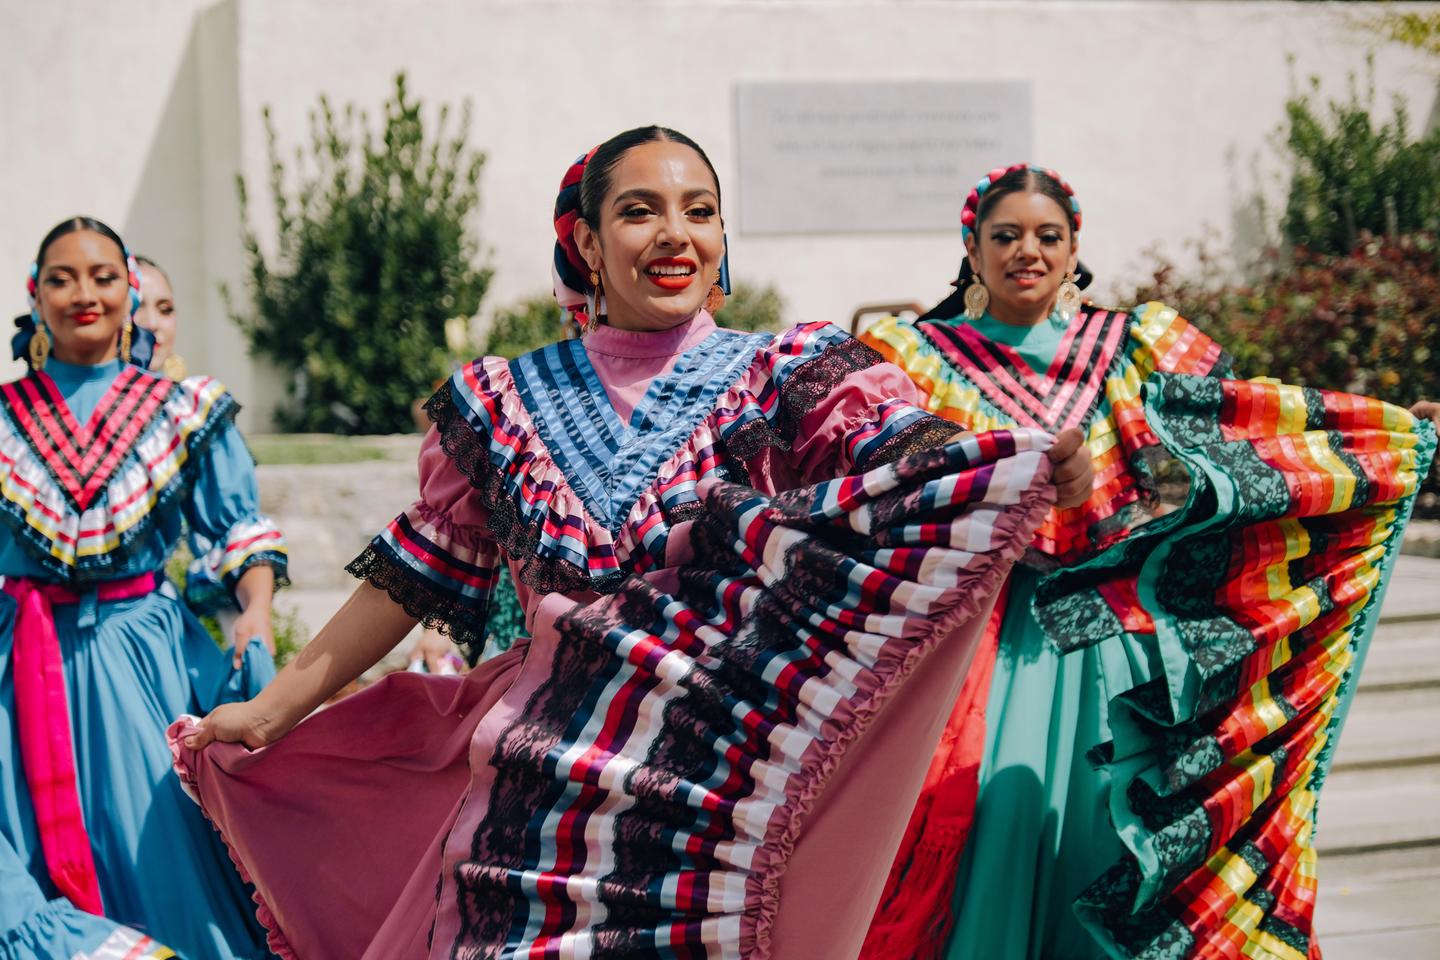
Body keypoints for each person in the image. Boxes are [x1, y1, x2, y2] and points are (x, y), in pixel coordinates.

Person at [170, 127, 1081, 958]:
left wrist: (1032, 469)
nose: (674, 234)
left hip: (711, 780)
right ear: (587, 243)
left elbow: (912, 458)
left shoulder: (788, 373)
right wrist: (271, 712)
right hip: (538, 778)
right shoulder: (502, 402)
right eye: (638, 210)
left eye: (700, 211)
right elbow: (418, 573)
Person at [857, 165, 1438, 960]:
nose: (1027, 251)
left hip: (1117, 635)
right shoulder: (912, 356)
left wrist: (1385, 433)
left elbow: (1247, 431)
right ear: (972, 247)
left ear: (1073, 250)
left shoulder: (1134, 344)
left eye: (1047, 236)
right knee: (993, 822)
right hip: (980, 642)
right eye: (1006, 235)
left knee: (1115, 822)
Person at [0, 217, 289, 959]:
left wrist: (253, 612)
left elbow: (233, 530)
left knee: (157, 846)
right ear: (36, 295)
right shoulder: (6, 416)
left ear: (130, 289)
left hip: (142, 658)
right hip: (22, 664)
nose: (83, 294)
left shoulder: (183, 411)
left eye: (102, 276)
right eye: (62, 278)